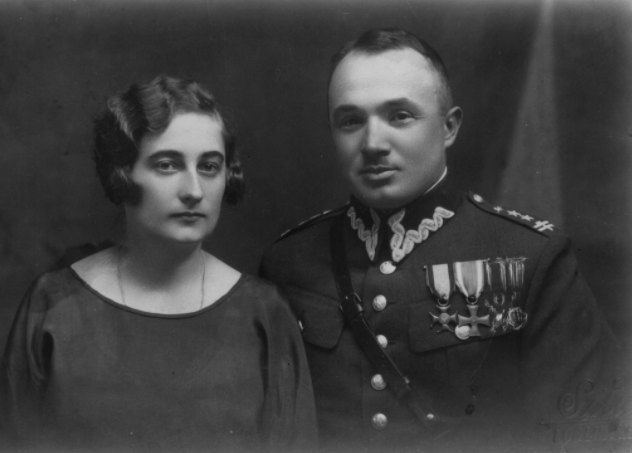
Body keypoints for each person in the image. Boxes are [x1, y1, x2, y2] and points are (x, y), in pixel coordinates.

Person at [260, 29, 625, 451]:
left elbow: (589, 434)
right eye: (351, 121)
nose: (373, 143)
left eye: (400, 116)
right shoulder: (288, 263)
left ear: (449, 127)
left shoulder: (533, 257)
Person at [0, 75, 317, 452]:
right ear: (122, 173)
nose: (193, 191)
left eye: (209, 167)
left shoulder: (264, 313)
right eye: (167, 165)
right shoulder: (52, 305)